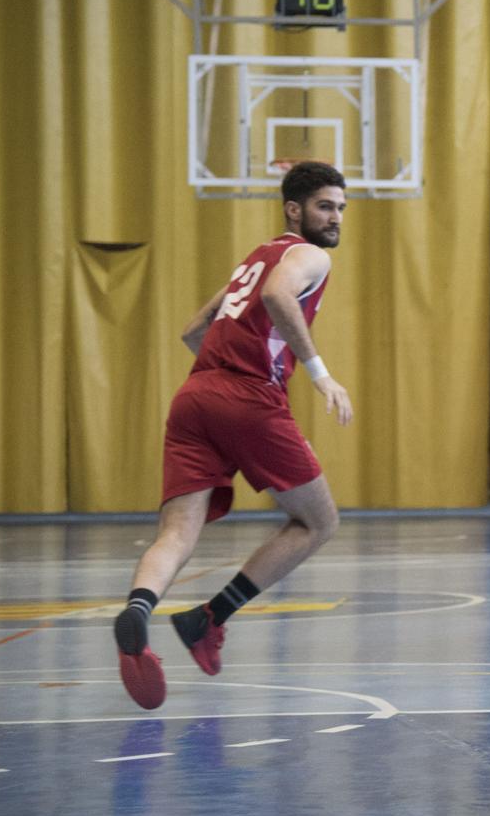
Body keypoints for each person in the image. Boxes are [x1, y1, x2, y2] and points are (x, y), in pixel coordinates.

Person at [113, 161, 354, 710]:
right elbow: (277, 298)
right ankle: (209, 618)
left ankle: (138, 609)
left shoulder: (255, 257)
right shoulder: (308, 256)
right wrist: (317, 374)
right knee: (319, 522)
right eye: (324, 205)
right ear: (294, 209)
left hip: (195, 396)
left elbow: (193, 330)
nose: (336, 216)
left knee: (175, 534)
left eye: (340, 207)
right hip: (246, 398)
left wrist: (228, 386)